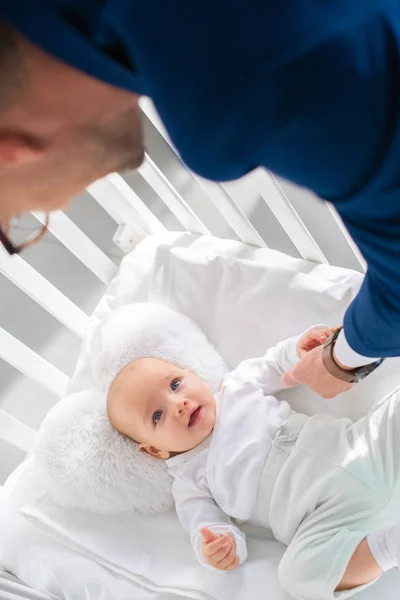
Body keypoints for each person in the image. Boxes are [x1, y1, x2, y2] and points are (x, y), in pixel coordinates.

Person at [0, 2, 399, 398]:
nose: (56, 208)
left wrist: (344, 358)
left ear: (8, 156)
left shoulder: (230, 87)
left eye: (16, 221)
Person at [107, 324, 400, 599]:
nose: (178, 405)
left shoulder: (235, 387)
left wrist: (299, 349)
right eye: (157, 416)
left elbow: (274, 365)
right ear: (154, 450)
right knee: (296, 576)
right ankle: (388, 547)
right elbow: (207, 528)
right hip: (328, 518)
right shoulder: (189, 484)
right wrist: (218, 548)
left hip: (362, 446)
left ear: (191, 374)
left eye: (175, 385)